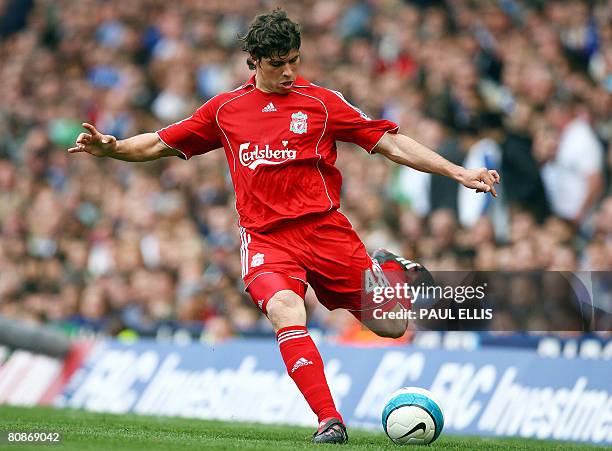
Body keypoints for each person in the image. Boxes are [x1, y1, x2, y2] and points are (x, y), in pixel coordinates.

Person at [68, 9, 499, 444]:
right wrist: (114, 148)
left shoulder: (322, 103)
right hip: (267, 239)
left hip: (326, 232)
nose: (289, 71)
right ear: (253, 61)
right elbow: (160, 143)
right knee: (285, 311)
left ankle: (386, 268)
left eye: (295, 60)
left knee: (392, 325)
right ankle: (329, 420)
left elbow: (389, 142)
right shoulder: (226, 110)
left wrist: (458, 172)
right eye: (278, 64)